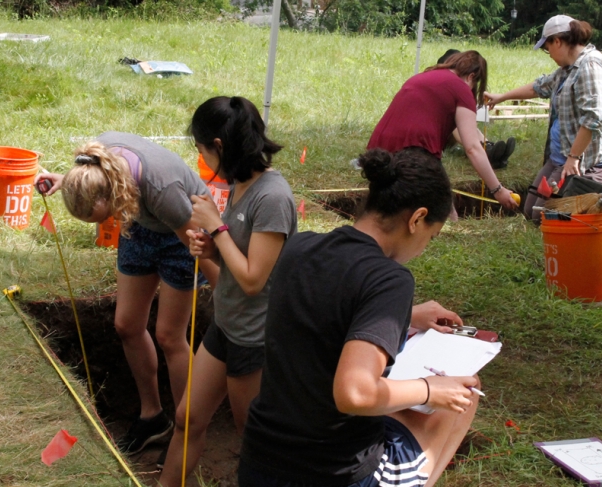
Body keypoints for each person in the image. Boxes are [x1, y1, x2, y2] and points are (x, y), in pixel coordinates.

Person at [239, 147, 479, 487]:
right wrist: (429, 390)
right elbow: (354, 393)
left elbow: (321, 311)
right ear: (416, 219)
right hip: (332, 473)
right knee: (464, 392)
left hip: (262, 461)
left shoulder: (300, 248)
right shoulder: (389, 279)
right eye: (431, 235)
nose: (425, 245)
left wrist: (404, 316)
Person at [35, 132, 219, 455]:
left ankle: (186, 430)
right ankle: (153, 417)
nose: (104, 224)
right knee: (127, 325)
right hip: (142, 224)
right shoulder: (95, 163)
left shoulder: (162, 190)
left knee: (169, 336)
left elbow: (196, 244)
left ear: (113, 197)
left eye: (102, 218)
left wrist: (226, 291)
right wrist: (64, 180)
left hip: (183, 234)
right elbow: (89, 179)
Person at [157, 96, 297, 486]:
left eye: (202, 150)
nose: (202, 160)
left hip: (255, 339)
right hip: (226, 325)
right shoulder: (240, 183)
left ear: (218, 145)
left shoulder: (272, 197)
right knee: (187, 417)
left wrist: (217, 229)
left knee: (252, 436)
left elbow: (254, 280)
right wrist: (210, 250)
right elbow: (239, 260)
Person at [485, 15, 602, 223]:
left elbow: (593, 119)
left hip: (589, 162)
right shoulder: (567, 70)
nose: (548, 54)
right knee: (531, 211)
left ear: (557, 41)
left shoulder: (591, 67)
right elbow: (539, 86)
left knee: (542, 218)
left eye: (547, 47)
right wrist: (502, 96)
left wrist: (574, 158)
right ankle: (600, 203)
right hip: (562, 157)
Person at [368, 50, 519, 210]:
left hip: (375, 154)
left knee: (387, 208)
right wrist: (498, 190)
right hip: (411, 154)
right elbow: (473, 148)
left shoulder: (423, 76)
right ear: (472, 77)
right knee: (426, 207)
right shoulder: (461, 89)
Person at [437, 49, 516, 170]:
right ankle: (485, 151)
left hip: (447, 135)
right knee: (458, 123)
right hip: (438, 136)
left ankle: (490, 147)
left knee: (467, 125)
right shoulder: (440, 85)